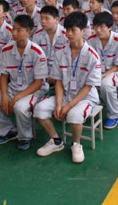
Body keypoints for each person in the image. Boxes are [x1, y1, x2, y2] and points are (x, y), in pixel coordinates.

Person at [34, 11, 101, 164]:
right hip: (65, 94)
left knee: (74, 115)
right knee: (39, 109)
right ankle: (56, 141)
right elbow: (58, 81)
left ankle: (76, 144)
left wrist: (69, 106)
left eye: (73, 30)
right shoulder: (60, 53)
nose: (69, 34)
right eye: (67, 30)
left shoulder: (92, 56)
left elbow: (88, 86)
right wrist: (59, 104)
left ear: (83, 31)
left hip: (85, 97)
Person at [0, 15, 48, 151]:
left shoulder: (37, 52)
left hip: (34, 91)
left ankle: (24, 137)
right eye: (13, 29)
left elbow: (38, 83)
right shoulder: (6, 50)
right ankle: (8, 130)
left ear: (28, 32)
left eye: (18, 30)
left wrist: (16, 98)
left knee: (20, 107)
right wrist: (4, 96)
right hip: (13, 88)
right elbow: (3, 76)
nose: (14, 33)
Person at [87, 11, 118, 129]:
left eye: (102, 27)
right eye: (96, 27)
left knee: (106, 85)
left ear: (109, 27)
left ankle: (114, 115)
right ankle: (87, 109)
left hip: (114, 71)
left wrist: (103, 76)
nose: (98, 30)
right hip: (96, 71)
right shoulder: (90, 40)